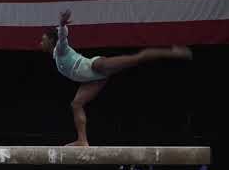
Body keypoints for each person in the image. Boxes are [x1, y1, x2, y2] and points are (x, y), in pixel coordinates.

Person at [40, 9, 192, 147]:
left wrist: (61, 24)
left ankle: (174, 52)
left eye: (43, 39)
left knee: (136, 58)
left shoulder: (60, 49)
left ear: (51, 41)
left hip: (96, 66)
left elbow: (62, 36)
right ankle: (82, 140)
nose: (41, 42)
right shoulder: (56, 56)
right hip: (93, 80)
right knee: (76, 104)